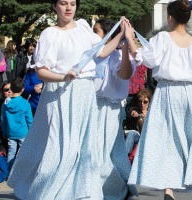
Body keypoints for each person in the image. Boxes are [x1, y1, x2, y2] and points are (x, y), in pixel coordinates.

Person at [7, 0, 126, 199]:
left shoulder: (82, 27)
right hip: (59, 93)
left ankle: (84, 191)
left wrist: (121, 32)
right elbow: (42, 72)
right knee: (58, 144)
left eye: (72, 3)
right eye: (63, 3)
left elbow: (102, 52)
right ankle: (50, 191)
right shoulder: (49, 34)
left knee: (84, 146)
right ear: (55, 6)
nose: (69, 7)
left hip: (85, 92)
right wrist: (64, 76)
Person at [127, 1, 192, 199]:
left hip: (167, 92)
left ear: (170, 17)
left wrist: (130, 37)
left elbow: (148, 60)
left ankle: (169, 190)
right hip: (190, 92)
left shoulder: (162, 38)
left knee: (166, 139)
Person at [92, 18, 137, 199]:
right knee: (93, 151)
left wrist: (125, 47)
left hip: (109, 109)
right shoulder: (94, 53)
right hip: (92, 106)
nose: (92, 34)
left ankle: (116, 188)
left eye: (96, 31)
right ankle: (95, 188)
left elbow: (125, 74)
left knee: (106, 152)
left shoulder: (119, 55)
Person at [1, 77, 33, 170]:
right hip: (23, 132)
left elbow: (3, 119)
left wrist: (4, 131)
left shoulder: (6, 103)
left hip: (10, 132)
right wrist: (31, 131)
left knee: (11, 152)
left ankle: (9, 170)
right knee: (23, 151)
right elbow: (29, 119)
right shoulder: (25, 103)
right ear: (23, 89)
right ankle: (21, 169)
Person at [124, 88, 153, 163]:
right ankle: (125, 159)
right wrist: (133, 112)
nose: (142, 104)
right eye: (140, 101)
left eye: (145, 102)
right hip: (138, 136)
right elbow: (129, 110)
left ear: (149, 102)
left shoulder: (152, 112)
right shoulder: (135, 111)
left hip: (150, 137)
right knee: (132, 133)